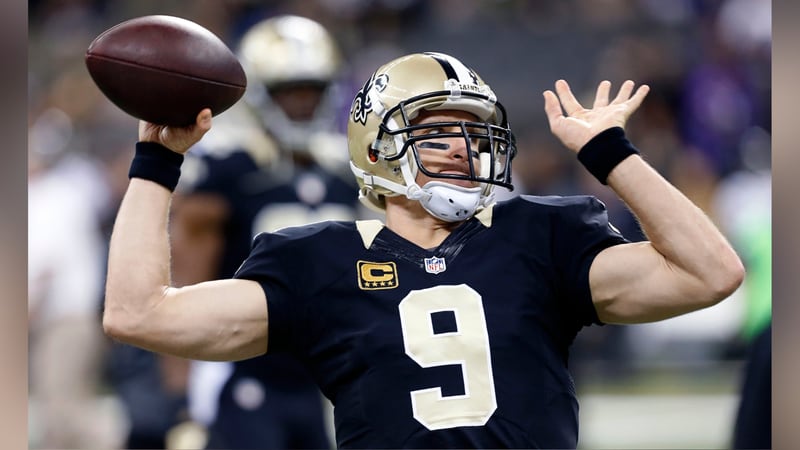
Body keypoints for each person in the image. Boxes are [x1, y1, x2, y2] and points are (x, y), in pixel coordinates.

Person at [103, 52, 745, 449]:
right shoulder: (319, 262)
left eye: (477, 132)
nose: (467, 149)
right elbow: (138, 314)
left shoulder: (538, 237)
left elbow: (710, 273)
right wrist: (156, 161)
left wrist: (613, 155)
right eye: (438, 132)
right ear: (375, 148)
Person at [170, 15, 357, 449]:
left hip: (328, 367)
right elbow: (187, 278)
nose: (303, 104)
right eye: (289, 92)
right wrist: (184, 387)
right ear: (258, 92)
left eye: (312, 90)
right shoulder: (229, 167)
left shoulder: (347, 170)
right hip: (248, 363)